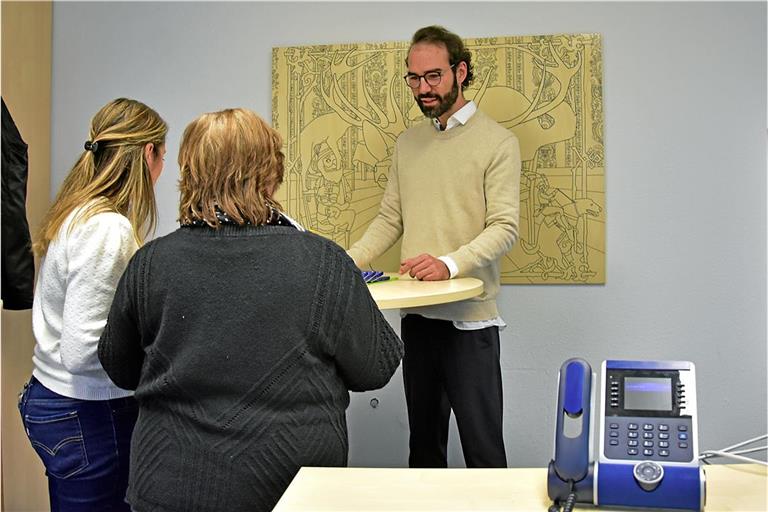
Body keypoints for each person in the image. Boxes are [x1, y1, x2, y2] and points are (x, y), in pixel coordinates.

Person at [97, 108, 404, 512]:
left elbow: (118, 365)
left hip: (171, 484)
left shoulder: (151, 263)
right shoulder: (323, 262)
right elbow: (375, 367)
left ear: (189, 173)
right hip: (294, 488)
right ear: (272, 172)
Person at [347, 25, 521, 468]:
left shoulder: (499, 142)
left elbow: (504, 228)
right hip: (418, 321)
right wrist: (343, 264)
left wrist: (448, 263)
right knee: (423, 451)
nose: (423, 88)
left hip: (470, 324)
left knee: (484, 452)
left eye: (434, 76)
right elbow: (390, 219)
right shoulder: (408, 143)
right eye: (414, 78)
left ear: (460, 71)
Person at [18, 98, 167, 510]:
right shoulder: (107, 229)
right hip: (87, 413)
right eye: (162, 157)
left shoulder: (77, 212)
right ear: (149, 154)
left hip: (55, 400)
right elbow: (83, 351)